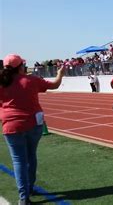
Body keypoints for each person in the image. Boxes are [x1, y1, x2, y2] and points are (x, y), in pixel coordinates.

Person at [0, 54, 65, 204]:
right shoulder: (31, 80)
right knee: (31, 156)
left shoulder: (2, 82)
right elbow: (54, 85)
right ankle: (30, 187)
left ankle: (24, 197)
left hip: (11, 126)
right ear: (20, 66)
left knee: (19, 161)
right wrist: (60, 74)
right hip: (33, 124)